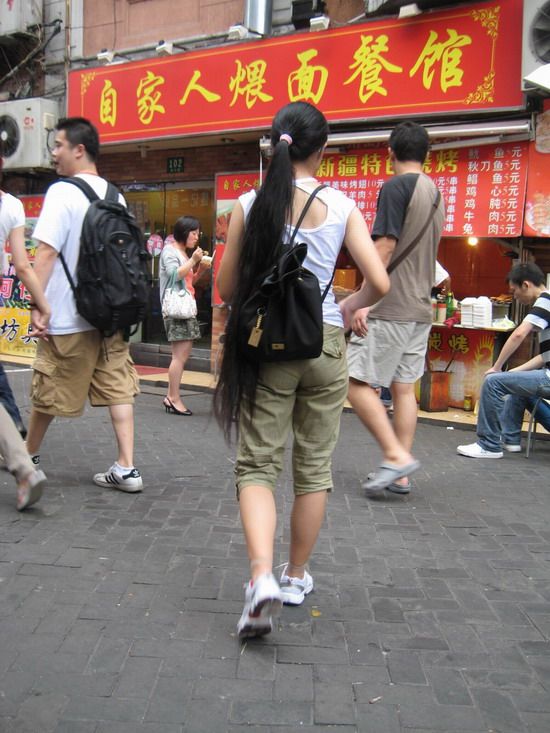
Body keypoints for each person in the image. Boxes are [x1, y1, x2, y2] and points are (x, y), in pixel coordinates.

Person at [214, 101, 389, 639]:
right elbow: (379, 283)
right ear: (323, 150)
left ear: (274, 143)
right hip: (327, 344)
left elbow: (223, 289)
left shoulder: (249, 203)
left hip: (269, 349)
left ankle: (260, 577)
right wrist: (350, 304)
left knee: (258, 466)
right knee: (314, 469)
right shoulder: (341, 205)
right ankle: (294, 577)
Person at [25, 116, 143, 497]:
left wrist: (38, 305)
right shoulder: (116, 195)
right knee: (118, 387)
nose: (53, 153)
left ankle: (28, 458)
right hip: (110, 314)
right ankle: (126, 467)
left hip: (69, 313)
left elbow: (45, 254)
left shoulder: (62, 192)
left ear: (79, 149)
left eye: (58, 145)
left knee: (50, 388)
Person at [343, 121, 445, 496]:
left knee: (354, 383)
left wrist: (363, 300)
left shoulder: (396, 186)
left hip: (391, 305)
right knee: (404, 389)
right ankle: (400, 471)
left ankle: (395, 458)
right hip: (421, 308)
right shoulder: (436, 193)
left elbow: (383, 249)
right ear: (426, 153)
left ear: (391, 152)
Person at [457, 262, 550, 458]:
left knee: (493, 382)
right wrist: (511, 373)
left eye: (514, 291)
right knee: (513, 382)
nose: (514, 296)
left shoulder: (545, 301)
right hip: (547, 374)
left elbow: (519, 334)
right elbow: (544, 357)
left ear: (526, 285)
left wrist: (497, 367)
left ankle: (489, 445)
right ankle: (511, 441)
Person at [0, 179, 50, 510]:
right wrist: (42, 304)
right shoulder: (11, 206)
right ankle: (22, 466)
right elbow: (22, 265)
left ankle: (22, 464)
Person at [159, 216, 209, 415]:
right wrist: (194, 260)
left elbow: (187, 282)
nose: (197, 237)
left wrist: (200, 270)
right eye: (194, 233)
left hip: (185, 307)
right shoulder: (170, 251)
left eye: (198, 233)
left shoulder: (182, 253)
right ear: (184, 231)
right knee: (179, 356)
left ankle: (170, 396)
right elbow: (174, 276)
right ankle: (173, 398)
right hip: (176, 310)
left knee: (181, 356)